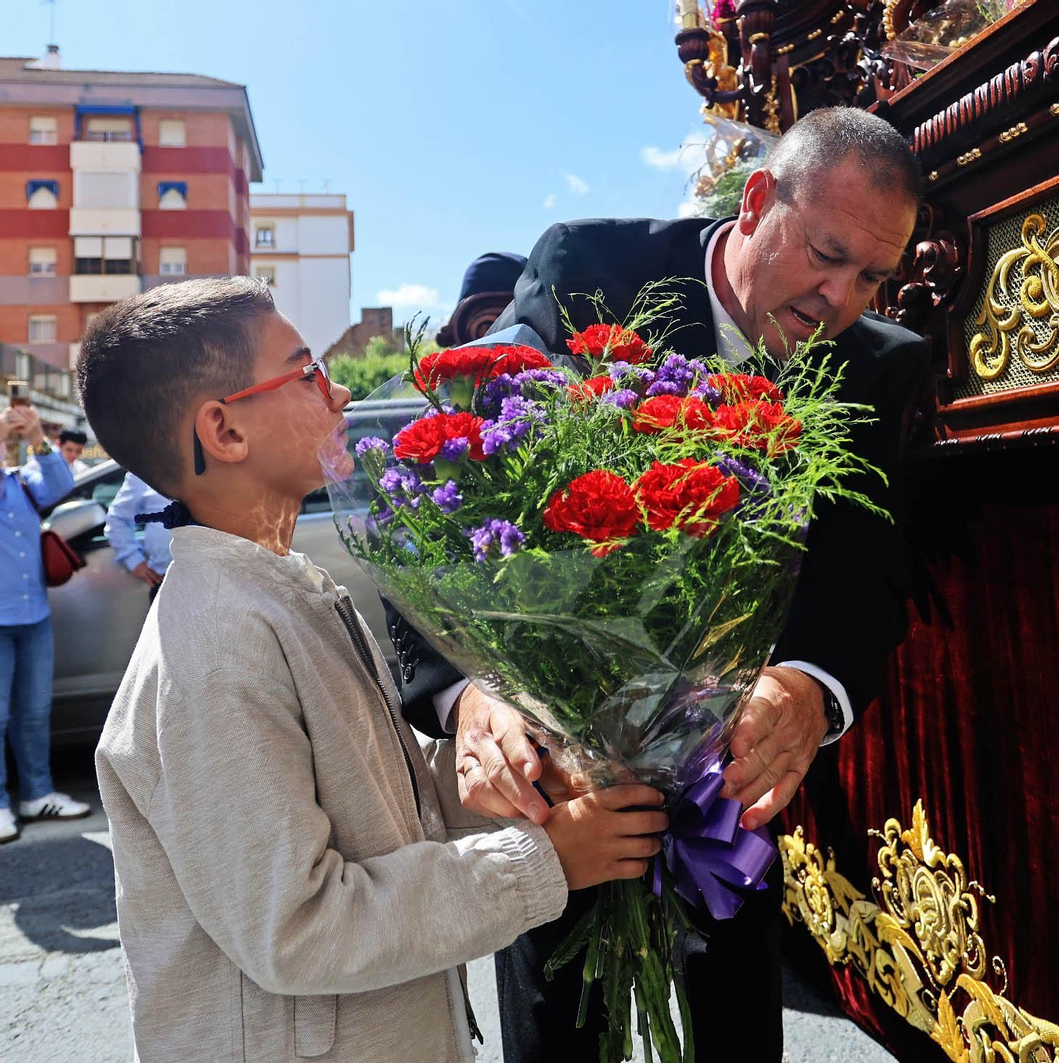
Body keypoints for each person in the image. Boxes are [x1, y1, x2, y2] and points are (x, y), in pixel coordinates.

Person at [388, 106, 927, 1062]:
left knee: (733, 1026)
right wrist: (474, 695)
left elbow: (868, 561)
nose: (842, 297)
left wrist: (804, 686)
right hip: (560, 784)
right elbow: (458, 494)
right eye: (826, 254)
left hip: (730, 790)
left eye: (874, 277)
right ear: (759, 200)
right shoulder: (586, 271)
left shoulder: (882, 367)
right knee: (560, 1029)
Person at [77, 276, 670, 1062]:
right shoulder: (215, 645)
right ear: (223, 430)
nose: (340, 386)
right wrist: (544, 861)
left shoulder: (290, 592)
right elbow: (300, 926)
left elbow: (380, 815)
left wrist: (508, 779)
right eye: (306, 372)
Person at [0, 404, 88, 844]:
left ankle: (37, 794)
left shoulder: (20, 482)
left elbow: (59, 483)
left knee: (34, 712)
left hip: (32, 615)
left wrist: (37, 437)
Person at [104, 471, 172, 597]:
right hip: (166, 582)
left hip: (216, 578)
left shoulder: (216, 461)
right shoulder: (147, 465)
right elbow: (117, 519)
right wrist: (134, 560)